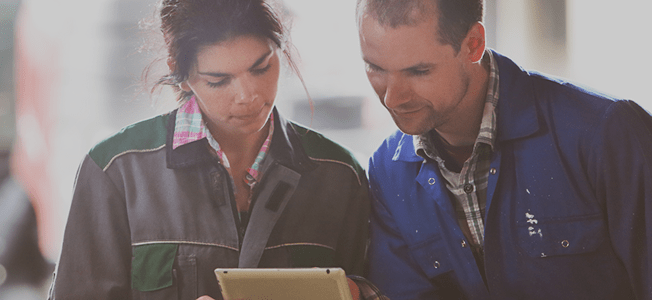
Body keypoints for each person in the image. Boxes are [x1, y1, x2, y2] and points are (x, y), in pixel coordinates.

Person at [48, 0, 370, 299]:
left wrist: (355, 292)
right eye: (218, 80)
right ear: (182, 73)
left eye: (261, 68)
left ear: (280, 49)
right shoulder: (115, 172)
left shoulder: (340, 175)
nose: (247, 95)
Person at [357, 0, 652, 299]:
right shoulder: (388, 170)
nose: (392, 99)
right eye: (375, 67)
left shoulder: (605, 133)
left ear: (473, 44)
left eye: (419, 71)